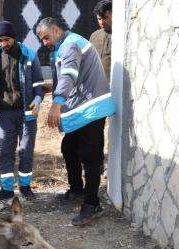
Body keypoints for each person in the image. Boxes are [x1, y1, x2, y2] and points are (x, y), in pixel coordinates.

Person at [36, 17, 115, 226]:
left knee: (89, 156)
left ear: (55, 30)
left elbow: (70, 73)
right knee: (69, 148)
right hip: (84, 109)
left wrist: (57, 103)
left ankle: (92, 204)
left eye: (46, 37)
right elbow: (71, 76)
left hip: (92, 108)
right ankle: (77, 190)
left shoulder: (70, 44)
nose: (45, 42)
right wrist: (51, 88)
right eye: (42, 39)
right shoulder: (69, 43)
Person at [0, 21, 45, 202]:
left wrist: (38, 99)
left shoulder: (29, 54)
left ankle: (25, 187)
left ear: (14, 38)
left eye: (6, 39)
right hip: (5, 112)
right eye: (0, 40)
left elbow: (39, 82)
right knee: (5, 151)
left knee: (26, 150)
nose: (3, 44)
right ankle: (7, 189)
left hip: (27, 112)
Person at [90, 0, 112, 82]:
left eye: (105, 18)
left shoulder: (121, 36)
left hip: (115, 85)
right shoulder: (94, 36)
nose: (102, 22)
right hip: (95, 84)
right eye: (99, 19)